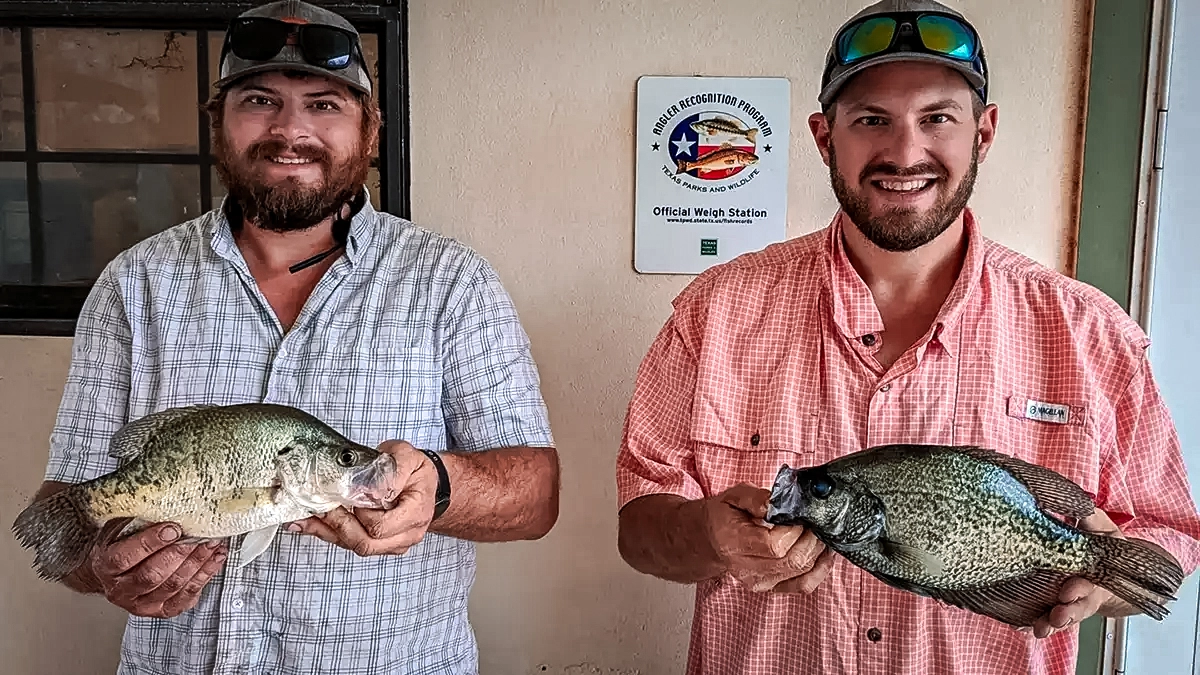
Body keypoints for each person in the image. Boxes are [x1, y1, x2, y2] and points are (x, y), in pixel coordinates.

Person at [614, 0, 1200, 673]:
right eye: (871, 120)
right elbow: (638, 529)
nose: (904, 151)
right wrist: (707, 535)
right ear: (823, 135)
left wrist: (1102, 582)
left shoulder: (1092, 334)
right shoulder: (713, 312)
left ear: (983, 133)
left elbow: (1170, 536)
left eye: (937, 118)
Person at [23, 1, 559, 673]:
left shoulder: (452, 282)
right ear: (218, 122)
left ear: (370, 129)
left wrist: (441, 487)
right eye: (259, 99)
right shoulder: (135, 285)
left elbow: (537, 495)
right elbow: (65, 513)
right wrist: (106, 566)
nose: (290, 129)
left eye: (325, 105)